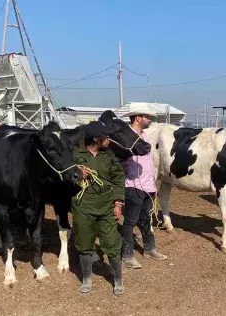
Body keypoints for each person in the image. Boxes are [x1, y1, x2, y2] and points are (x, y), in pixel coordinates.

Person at [71, 121, 125, 295]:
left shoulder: (109, 156)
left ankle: (117, 279)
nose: (109, 140)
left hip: (106, 205)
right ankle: (87, 278)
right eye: (106, 137)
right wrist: (77, 174)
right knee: (85, 242)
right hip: (83, 205)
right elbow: (63, 177)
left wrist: (118, 204)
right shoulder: (75, 155)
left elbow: (118, 179)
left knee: (111, 242)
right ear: (97, 139)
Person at [121, 104, 167, 269]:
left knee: (145, 218)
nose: (150, 119)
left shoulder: (145, 136)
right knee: (130, 221)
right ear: (137, 118)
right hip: (133, 184)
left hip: (147, 185)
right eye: (147, 116)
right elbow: (121, 160)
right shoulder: (126, 137)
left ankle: (150, 248)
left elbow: (148, 161)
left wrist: (153, 180)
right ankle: (127, 255)